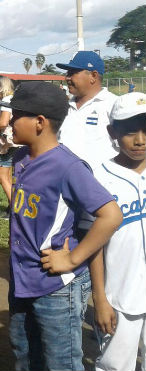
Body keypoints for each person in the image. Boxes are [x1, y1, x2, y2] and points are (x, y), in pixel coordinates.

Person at [0, 81, 122, 370]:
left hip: (54, 287)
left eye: (16, 115)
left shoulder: (67, 166)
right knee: (25, 355)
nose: (9, 122)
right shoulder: (20, 157)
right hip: (21, 277)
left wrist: (73, 258)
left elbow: (111, 215)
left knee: (61, 363)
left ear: (40, 122)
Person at [89, 92, 146, 371]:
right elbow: (94, 246)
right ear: (113, 132)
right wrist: (100, 298)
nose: (140, 139)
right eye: (129, 131)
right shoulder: (99, 178)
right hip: (120, 295)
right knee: (115, 365)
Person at [56, 51, 118, 169]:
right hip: (65, 183)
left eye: (73, 73)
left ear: (93, 76)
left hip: (100, 185)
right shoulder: (63, 107)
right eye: (67, 73)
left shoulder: (114, 105)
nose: (67, 77)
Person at [0, 77, 20, 219]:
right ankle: (12, 206)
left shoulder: (7, 101)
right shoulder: (16, 98)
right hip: (17, 141)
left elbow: (3, 123)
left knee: (2, 177)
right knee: (9, 177)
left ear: (1, 88)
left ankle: (15, 210)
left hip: (6, 143)